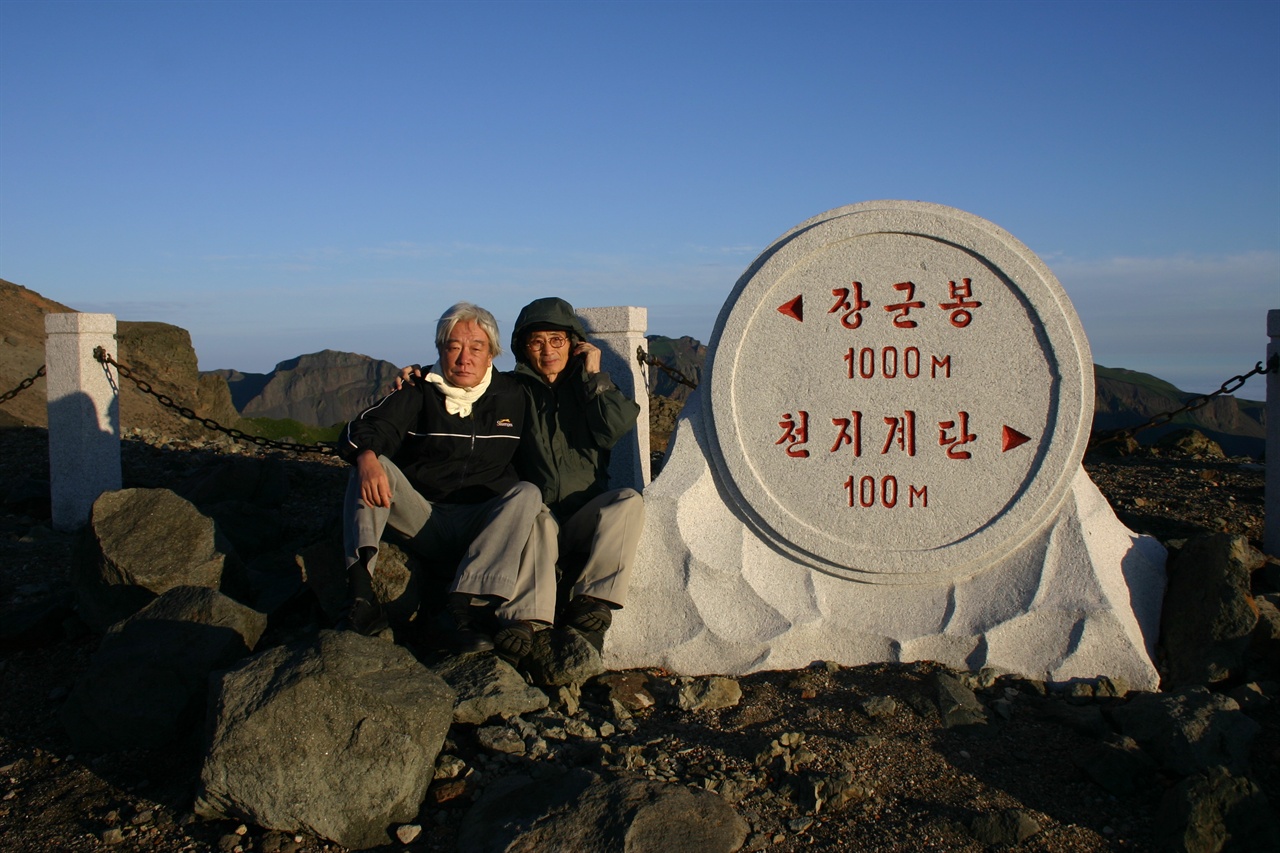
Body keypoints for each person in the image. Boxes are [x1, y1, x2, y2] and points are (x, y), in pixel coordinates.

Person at [338, 302, 553, 659]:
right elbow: (367, 426)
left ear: (492, 354)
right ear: (440, 350)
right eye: (454, 347)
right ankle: (360, 596)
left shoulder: (513, 396)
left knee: (528, 493)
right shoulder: (418, 389)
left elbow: (547, 436)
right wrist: (366, 456)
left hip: (482, 523)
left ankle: (464, 607)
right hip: (425, 517)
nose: (464, 358)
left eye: (476, 348)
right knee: (370, 467)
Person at [509, 297, 644, 648]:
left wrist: (595, 376)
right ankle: (529, 621)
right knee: (534, 513)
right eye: (537, 341)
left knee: (628, 501)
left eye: (557, 340)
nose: (548, 350)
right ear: (523, 348)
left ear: (574, 343)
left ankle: (592, 603)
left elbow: (614, 427)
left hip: (583, 515)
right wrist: (420, 377)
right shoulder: (511, 390)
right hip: (540, 521)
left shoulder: (589, 387)